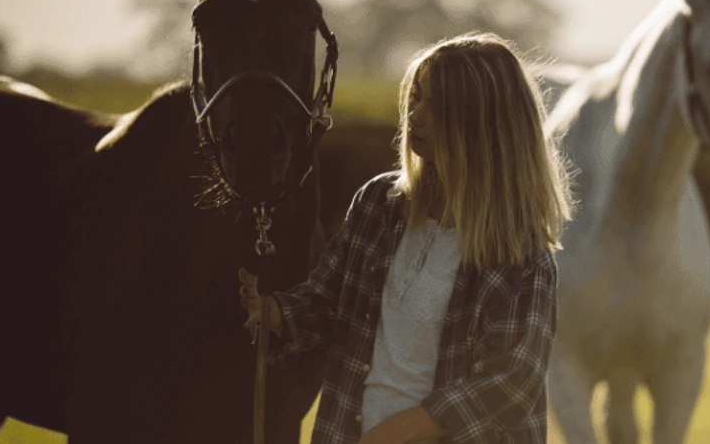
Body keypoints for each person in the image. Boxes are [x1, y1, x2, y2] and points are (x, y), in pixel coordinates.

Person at [239, 32, 574, 444]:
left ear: (482, 122)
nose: (415, 115)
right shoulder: (379, 205)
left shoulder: (520, 254)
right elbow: (328, 302)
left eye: (437, 106)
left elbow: (509, 382)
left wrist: (394, 433)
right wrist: (272, 310)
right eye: (415, 98)